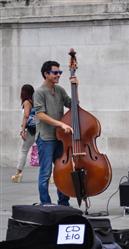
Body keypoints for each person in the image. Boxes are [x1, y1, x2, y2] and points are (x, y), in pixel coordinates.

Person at [33, 60, 77, 206]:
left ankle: (63, 203)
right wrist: (61, 124)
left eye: (60, 72)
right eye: (55, 72)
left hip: (61, 138)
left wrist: (75, 86)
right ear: (46, 74)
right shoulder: (39, 92)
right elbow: (40, 115)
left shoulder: (59, 90)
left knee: (63, 171)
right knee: (45, 173)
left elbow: (73, 105)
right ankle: (46, 204)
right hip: (46, 138)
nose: (58, 75)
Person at [11, 84, 36, 183]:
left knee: (24, 150)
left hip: (30, 130)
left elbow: (26, 116)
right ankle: (52, 174)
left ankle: (18, 174)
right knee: (46, 150)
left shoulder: (26, 102)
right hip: (38, 128)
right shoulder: (34, 101)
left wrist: (23, 130)